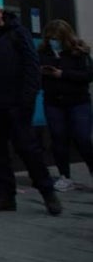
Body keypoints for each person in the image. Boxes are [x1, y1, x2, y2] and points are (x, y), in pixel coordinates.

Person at [0, 0, 61, 215]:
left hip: (17, 103)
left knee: (28, 150)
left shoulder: (18, 33)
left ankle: (48, 193)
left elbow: (31, 66)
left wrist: (27, 99)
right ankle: (5, 195)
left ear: (0, 12)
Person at [38, 20, 93, 191]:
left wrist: (62, 74)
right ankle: (64, 175)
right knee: (58, 138)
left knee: (82, 138)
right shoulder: (43, 53)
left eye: (57, 38)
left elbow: (88, 75)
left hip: (78, 101)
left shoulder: (79, 52)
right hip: (54, 101)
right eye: (51, 38)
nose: (53, 41)